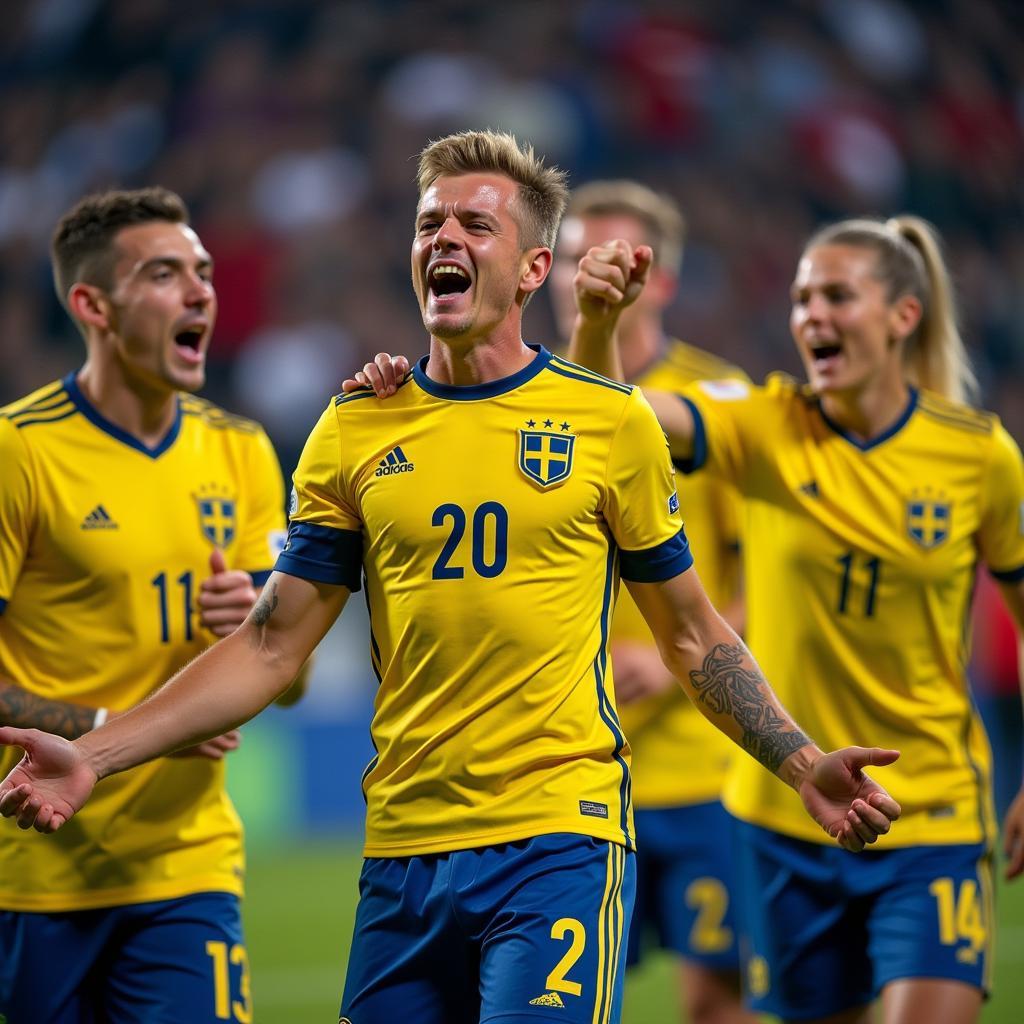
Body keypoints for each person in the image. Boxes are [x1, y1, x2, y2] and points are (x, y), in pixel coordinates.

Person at [0, 133, 901, 1024]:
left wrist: (799, 761)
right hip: (402, 851)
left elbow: (692, 631)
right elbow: (272, 646)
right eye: (432, 222)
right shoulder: (354, 428)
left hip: (557, 837)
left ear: (534, 267)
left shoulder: (611, 423)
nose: (446, 239)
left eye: (478, 224)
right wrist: (93, 754)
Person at [567, 216, 1024, 1024]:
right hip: (783, 813)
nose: (812, 314)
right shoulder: (766, 427)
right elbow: (613, 425)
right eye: (802, 298)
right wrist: (597, 325)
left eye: (837, 296)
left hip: (931, 815)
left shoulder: (978, 456)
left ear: (902, 316)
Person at [0, 187, 300, 1023]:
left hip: (187, 865)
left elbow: (292, 677)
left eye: (203, 273)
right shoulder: (17, 452)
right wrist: (106, 731)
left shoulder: (241, 452)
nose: (201, 292)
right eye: (165, 275)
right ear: (91, 304)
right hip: (35, 868)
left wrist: (253, 622)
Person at [551, 181, 754, 1024]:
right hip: (569, 769)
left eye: (613, 259)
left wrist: (673, 667)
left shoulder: (720, 404)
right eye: (568, 259)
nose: (583, 277)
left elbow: (764, 580)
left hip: (706, 770)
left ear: (661, 280)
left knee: (717, 1003)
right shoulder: (518, 395)